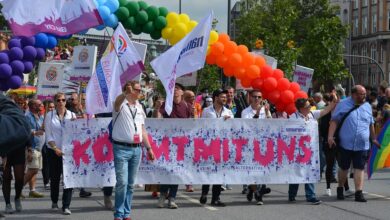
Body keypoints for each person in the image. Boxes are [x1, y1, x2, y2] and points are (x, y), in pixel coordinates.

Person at [328, 85, 380, 202]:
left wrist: (374, 138)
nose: (364, 96)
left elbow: (371, 123)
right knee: (344, 168)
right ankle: (340, 188)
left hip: (362, 145)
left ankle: (358, 192)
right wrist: (330, 137)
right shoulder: (343, 104)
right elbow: (334, 121)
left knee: (359, 168)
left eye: (365, 94)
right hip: (345, 144)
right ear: (354, 94)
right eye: (362, 94)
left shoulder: (367, 106)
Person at [112, 80, 155, 220]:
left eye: (140, 90)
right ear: (130, 90)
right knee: (122, 182)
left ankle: (126, 213)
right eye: (137, 90)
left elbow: (142, 130)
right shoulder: (120, 105)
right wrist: (125, 93)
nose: (140, 92)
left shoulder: (139, 107)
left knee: (130, 184)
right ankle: (118, 214)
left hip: (136, 149)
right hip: (121, 148)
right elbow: (116, 103)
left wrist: (149, 148)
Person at [288, 95, 338, 205]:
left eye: (310, 105)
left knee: (309, 172)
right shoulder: (293, 117)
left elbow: (325, 111)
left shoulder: (312, 114)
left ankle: (311, 196)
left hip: (310, 150)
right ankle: (292, 194)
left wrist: (334, 102)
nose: (310, 107)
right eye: (307, 106)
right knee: (297, 173)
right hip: (297, 150)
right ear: (301, 108)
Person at [158, 83, 191, 209]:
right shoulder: (166, 105)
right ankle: (162, 196)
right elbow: (157, 119)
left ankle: (172, 198)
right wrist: (157, 109)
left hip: (181, 144)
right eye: (173, 89)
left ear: (182, 92)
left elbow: (191, 125)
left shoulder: (187, 106)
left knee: (177, 171)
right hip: (166, 143)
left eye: (177, 89)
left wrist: (193, 116)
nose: (175, 91)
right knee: (166, 170)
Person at [199, 89, 234, 207]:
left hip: (223, 146)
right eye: (222, 97)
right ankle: (204, 193)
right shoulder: (206, 111)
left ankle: (215, 198)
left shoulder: (229, 112)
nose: (224, 98)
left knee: (220, 172)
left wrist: (228, 122)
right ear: (215, 97)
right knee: (209, 170)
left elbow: (234, 128)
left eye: (225, 97)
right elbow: (202, 127)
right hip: (209, 145)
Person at [44, 92, 76, 215]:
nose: (61, 102)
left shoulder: (72, 115)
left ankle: (66, 206)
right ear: (55, 102)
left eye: (63, 100)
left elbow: (77, 134)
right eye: (58, 100)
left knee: (68, 179)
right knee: (55, 178)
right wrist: (55, 148)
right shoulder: (49, 115)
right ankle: (54, 201)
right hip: (54, 151)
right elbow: (48, 135)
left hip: (69, 152)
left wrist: (76, 123)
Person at [0, 93, 31, 216]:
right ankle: (8, 204)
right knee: (6, 178)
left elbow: (26, 132)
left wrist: (29, 148)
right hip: (5, 149)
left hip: (18, 147)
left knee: (19, 178)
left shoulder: (19, 115)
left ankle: (17, 197)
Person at [241, 90, 271, 205]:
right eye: (255, 97)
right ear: (250, 97)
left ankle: (253, 190)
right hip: (250, 144)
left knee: (262, 170)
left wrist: (267, 112)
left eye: (259, 97)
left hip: (263, 143)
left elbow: (271, 124)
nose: (257, 99)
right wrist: (258, 113)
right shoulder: (245, 111)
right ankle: (257, 193)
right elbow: (248, 126)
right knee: (251, 170)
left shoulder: (265, 109)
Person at [23, 99, 45, 198]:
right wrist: (35, 132)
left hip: (39, 147)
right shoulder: (27, 116)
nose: (42, 105)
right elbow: (24, 130)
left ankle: (32, 190)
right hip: (31, 147)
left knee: (34, 169)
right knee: (34, 169)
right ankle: (19, 188)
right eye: (39, 104)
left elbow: (42, 129)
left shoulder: (41, 116)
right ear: (33, 106)